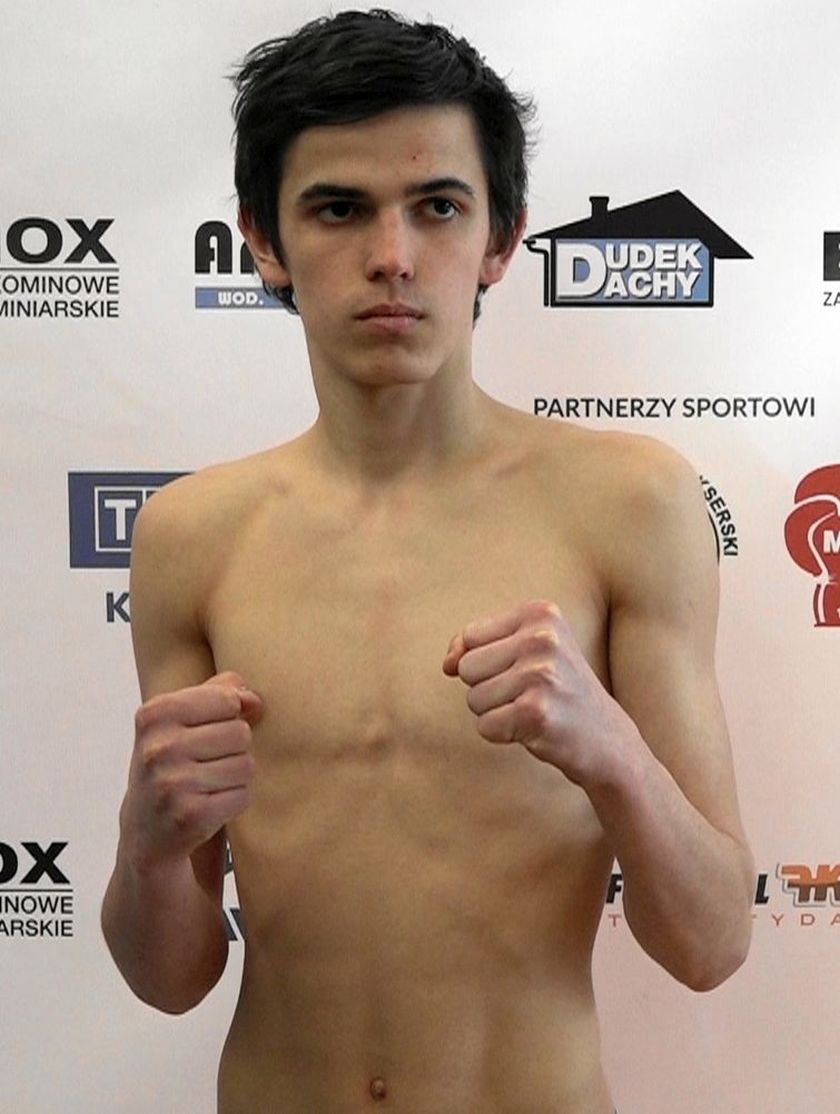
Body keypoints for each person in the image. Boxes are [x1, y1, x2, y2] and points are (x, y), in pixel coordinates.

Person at [101, 10, 754, 1113]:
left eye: (439, 207)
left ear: (501, 239)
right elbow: (170, 979)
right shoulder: (190, 533)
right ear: (264, 240)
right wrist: (147, 842)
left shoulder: (630, 503)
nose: (393, 257)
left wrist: (615, 755)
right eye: (339, 208)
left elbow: (713, 942)